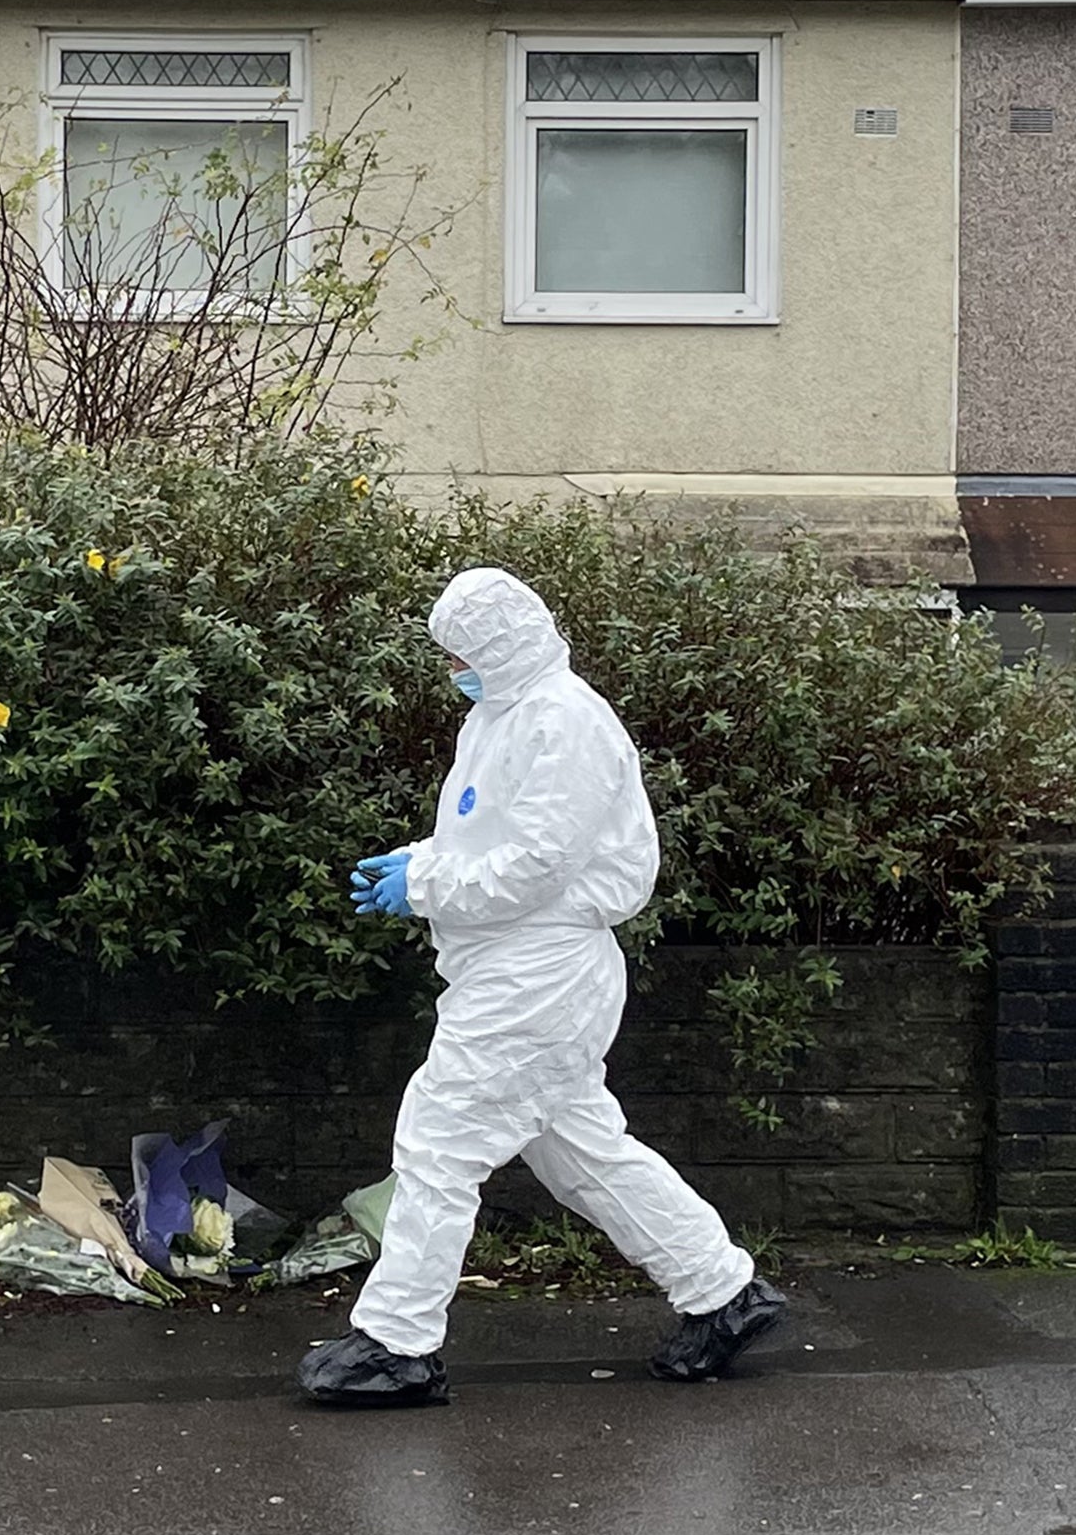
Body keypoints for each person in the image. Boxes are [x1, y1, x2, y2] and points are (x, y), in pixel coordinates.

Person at [298, 566, 788, 1408]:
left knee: (439, 1143)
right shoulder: (503, 715)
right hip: (518, 968)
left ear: (500, 643)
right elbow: (493, 836)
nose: (453, 666)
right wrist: (420, 860)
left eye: (462, 651)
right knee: (584, 1154)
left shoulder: (565, 722)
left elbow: (533, 868)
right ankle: (722, 1292)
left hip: (539, 973)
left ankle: (397, 1342)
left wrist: (422, 888)